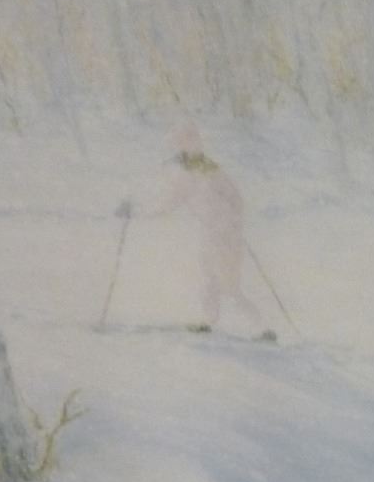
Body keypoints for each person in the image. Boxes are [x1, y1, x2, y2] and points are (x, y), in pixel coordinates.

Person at [118, 123, 276, 341]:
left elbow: (235, 200)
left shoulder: (206, 171)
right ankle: (208, 321)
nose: (179, 155)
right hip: (212, 234)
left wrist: (232, 225)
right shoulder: (197, 171)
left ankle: (261, 329)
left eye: (181, 147)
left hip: (224, 236)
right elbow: (170, 202)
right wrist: (137, 212)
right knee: (209, 280)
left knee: (230, 286)